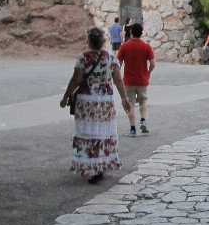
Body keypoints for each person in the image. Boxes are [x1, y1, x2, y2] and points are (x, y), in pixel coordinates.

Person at [60, 27, 131, 184]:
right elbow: (118, 80)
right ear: (103, 41)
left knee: (89, 132)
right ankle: (100, 165)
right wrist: (124, 98)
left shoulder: (83, 58)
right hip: (104, 101)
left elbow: (76, 80)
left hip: (86, 102)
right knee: (103, 132)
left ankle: (91, 166)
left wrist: (66, 96)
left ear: (89, 41)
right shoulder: (111, 58)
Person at [116, 22, 155, 137]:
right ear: (141, 33)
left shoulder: (124, 46)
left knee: (130, 103)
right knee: (143, 100)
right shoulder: (146, 46)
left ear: (131, 32)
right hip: (142, 79)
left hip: (128, 80)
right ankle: (143, 120)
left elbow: (118, 64)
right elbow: (152, 63)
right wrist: (148, 73)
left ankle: (132, 128)